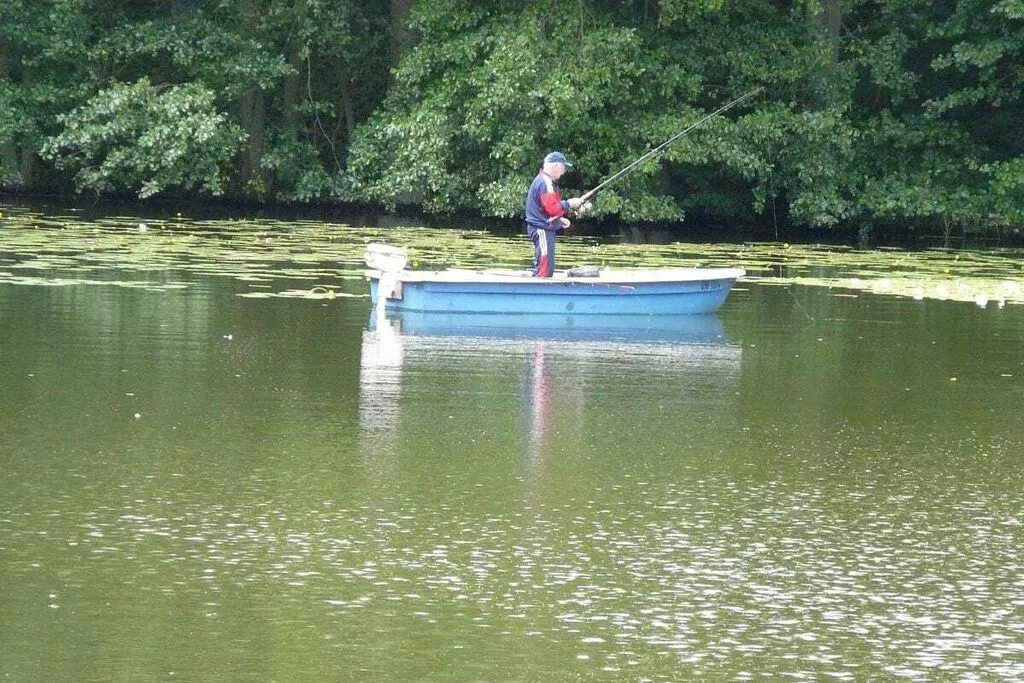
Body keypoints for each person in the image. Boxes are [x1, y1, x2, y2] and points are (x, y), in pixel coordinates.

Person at [524, 151, 585, 277]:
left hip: (543, 226)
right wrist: (569, 203)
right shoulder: (546, 183)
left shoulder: (544, 181)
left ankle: (540, 288)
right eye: (563, 168)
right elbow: (552, 209)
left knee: (546, 264)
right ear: (555, 166)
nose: (563, 172)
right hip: (541, 229)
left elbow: (546, 209)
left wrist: (558, 219)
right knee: (545, 265)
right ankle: (540, 291)